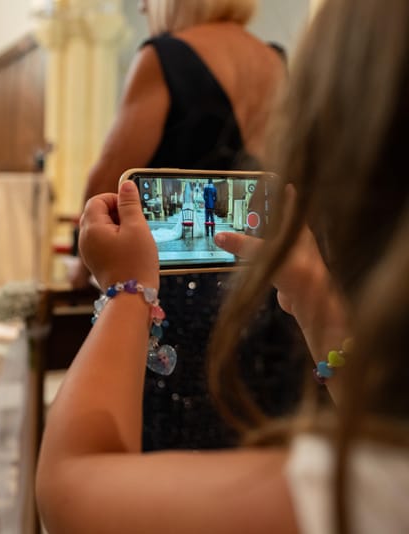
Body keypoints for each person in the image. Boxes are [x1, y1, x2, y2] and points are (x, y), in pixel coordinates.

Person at [37, 0, 409, 532]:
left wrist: (122, 288)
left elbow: (107, 184)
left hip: (177, 298)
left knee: (169, 458)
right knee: (253, 428)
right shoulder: (275, 60)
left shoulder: (163, 58)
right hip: (273, 288)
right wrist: (313, 294)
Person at [71, 0, 284, 285]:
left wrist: (82, 265)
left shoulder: (164, 56)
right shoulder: (275, 60)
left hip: (182, 282)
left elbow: (107, 178)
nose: (142, 8)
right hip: (263, 282)